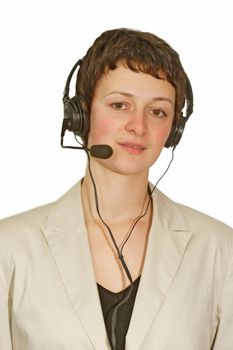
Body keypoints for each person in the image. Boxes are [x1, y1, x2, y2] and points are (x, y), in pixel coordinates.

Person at [0, 28, 232, 350]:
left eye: (158, 111)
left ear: (174, 129)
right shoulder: (8, 247)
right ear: (80, 114)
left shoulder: (220, 250)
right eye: (120, 105)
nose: (139, 126)